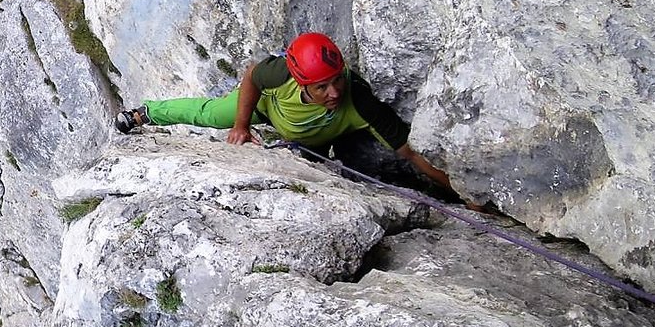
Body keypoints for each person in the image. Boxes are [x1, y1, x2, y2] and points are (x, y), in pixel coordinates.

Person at [117, 31, 468, 200]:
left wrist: (463, 193)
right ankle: (147, 113)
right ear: (301, 81)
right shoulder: (281, 74)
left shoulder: (358, 100)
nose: (334, 92)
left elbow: (410, 153)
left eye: (336, 81)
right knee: (211, 114)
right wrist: (241, 125)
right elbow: (252, 75)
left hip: (313, 144)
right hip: (265, 108)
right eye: (322, 87)